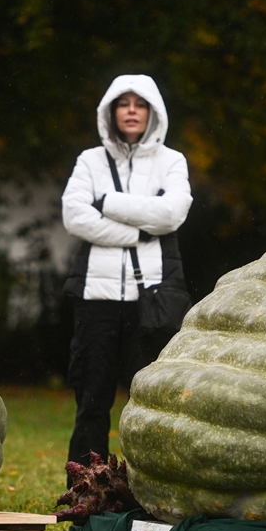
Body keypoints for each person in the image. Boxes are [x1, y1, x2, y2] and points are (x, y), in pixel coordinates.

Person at [62, 75, 193, 470]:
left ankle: (147, 490)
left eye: (140, 103)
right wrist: (140, 228)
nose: (132, 110)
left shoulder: (171, 161)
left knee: (151, 404)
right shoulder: (90, 160)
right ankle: (84, 489)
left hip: (150, 302)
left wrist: (108, 203)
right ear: (111, 112)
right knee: (91, 402)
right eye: (124, 103)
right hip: (96, 302)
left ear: (153, 112)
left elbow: (172, 213)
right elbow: (74, 216)